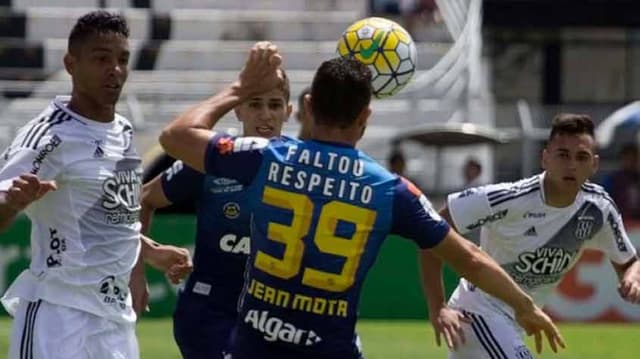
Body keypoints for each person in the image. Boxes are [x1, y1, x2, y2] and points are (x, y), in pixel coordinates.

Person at [159, 42, 564, 359]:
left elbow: (175, 137)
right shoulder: (388, 189)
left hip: (257, 343)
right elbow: (470, 259)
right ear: (365, 118)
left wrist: (239, 89)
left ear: (307, 108)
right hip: (329, 348)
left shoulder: (265, 158)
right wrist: (525, 305)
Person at [0, 11, 190, 358]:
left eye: (122, 59)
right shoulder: (48, 135)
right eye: (101, 58)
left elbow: (111, 220)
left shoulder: (123, 131)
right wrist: (12, 204)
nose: (115, 69)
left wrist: (148, 254)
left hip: (114, 323)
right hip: (58, 318)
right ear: (71, 64)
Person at [421, 113, 640, 358]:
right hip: (477, 312)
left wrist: (632, 278)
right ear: (545, 158)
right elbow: (432, 230)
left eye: (582, 157)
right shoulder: (508, 198)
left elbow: (629, 262)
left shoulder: (599, 209)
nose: (571, 165)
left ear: (594, 164)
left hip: (516, 321)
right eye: (563, 155)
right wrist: (437, 307)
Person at [140, 68, 292, 358]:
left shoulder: (301, 167)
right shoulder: (212, 159)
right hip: (209, 315)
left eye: (274, 105)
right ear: (237, 110)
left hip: (274, 319)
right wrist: (140, 260)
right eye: (255, 104)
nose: (265, 114)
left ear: (289, 111)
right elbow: (145, 198)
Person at [602, 143, 640, 220]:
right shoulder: (613, 179)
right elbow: (604, 201)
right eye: (627, 158)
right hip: (621, 220)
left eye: (633, 158)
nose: (630, 162)